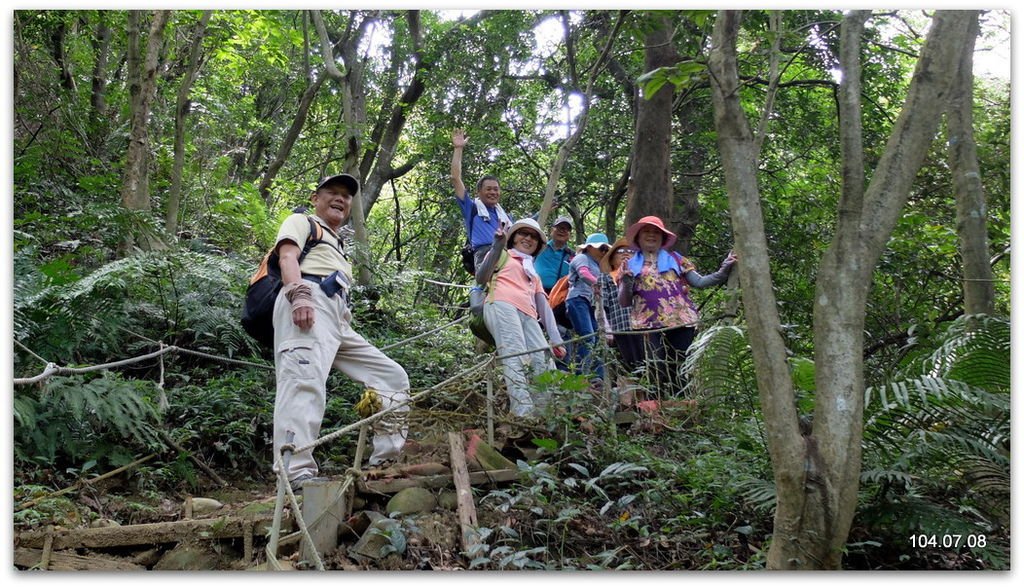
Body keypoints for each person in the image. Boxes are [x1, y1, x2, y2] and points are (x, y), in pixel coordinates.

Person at [272, 173, 411, 491]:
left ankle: (385, 460)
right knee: (304, 382)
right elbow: (287, 256)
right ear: (315, 199)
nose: (340, 198)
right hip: (307, 300)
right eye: (331, 192)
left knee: (392, 377)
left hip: (336, 320)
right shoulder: (302, 221)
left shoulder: (337, 243)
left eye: (346, 196)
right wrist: (299, 294)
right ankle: (295, 473)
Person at [617, 215, 736, 396]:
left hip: (681, 319)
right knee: (655, 366)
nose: (651, 235)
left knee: (679, 363)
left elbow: (700, 282)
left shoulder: (676, 258)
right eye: (646, 232)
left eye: (656, 232)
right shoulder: (629, 264)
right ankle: (657, 407)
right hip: (647, 323)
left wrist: (724, 270)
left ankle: (681, 404)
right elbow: (624, 302)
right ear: (638, 238)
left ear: (663, 238)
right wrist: (626, 281)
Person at [476, 218, 567, 417]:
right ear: (513, 238)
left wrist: (555, 338)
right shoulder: (503, 255)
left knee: (542, 359)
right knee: (515, 357)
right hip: (501, 305)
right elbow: (481, 278)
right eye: (523, 234)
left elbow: (543, 305)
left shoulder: (532, 271)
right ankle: (523, 414)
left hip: (528, 315)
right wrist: (497, 246)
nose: (528, 238)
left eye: (533, 236)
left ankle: (544, 415)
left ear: (538, 245)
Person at [451, 128, 513, 270]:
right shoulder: (472, 209)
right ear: (479, 192)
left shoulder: (505, 217)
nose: (493, 192)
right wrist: (458, 149)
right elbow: (455, 178)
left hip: (506, 257)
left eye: (496, 189)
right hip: (484, 256)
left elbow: (524, 228)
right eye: (488, 189)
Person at [565, 233, 610, 384]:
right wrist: (597, 284)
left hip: (589, 303)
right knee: (587, 336)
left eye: (605, 248)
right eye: (601, 248)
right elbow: (583, 273)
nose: (604, 251)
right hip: (577, 300)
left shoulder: (596, 264)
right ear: (589, 247)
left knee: (596, 338)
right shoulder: (582, 258)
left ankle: (597, 377)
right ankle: (582, 376)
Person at [598, 237, 644, 373]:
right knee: (628, 368)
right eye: (620, 251)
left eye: (630, 251)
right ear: (611, 259)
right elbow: (601, 306)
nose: (625, 253)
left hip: (644, 327)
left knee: (649, 365)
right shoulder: (605, 277)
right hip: (620, 328)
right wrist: (606, 329)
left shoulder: (641, 276)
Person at [534, 215, 575, 293]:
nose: (562, 231)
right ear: (551, 231)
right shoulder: (539, 246)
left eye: (566, 229)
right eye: (559, 227)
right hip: (533, 291)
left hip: (558, 297)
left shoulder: (572, 255)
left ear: (570, 235)